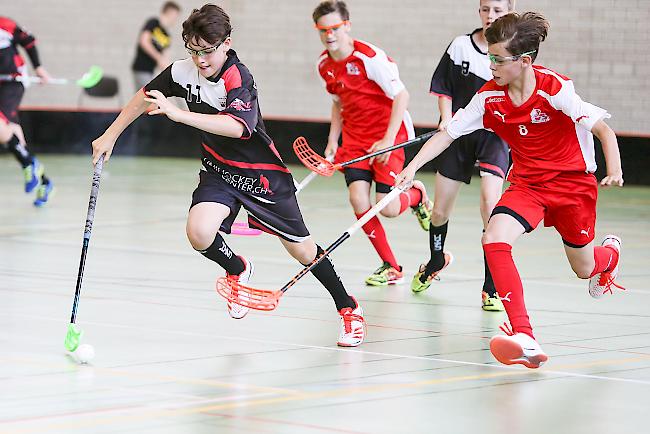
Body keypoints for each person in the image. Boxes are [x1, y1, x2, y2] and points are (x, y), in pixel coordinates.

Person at [93, 4, 366, 347]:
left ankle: (348, 307)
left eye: (207, 51)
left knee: (303, 251)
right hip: (219, 170)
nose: (201, 60)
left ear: (226, 44)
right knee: (199, 232)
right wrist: (110, 135)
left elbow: (237, 127)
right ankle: (237, 268)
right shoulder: (182, 72)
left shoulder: (239, 77)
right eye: (193, 50)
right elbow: (144, 93)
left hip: (260, 176)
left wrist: (181, 116)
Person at [396, 12, 624, 368]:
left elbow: (603, 131)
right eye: (489, 56)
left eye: (498, 59)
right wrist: (411, 166)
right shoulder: (489, 97)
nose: (491, 66)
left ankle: (609, 257)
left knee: (584, 268)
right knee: (494, 238)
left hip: (572, 185)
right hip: (528, 184)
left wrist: (615, 170)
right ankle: (525, 337)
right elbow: (448, 133)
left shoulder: (555, 89)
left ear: (525, 61)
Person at [313, 0, 433, 287]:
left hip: (389, 135)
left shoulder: (369, 57)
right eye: (323, 29)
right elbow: (337, 104)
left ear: (347, 25)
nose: (329, 35)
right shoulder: (324, 65)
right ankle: (392, 266)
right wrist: (332, 140)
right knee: (357, 199)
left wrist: (388, 140)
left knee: (388, 208)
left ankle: (416, 197)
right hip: (354, 139)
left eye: (335, 28)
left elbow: (401, 96)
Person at [414, 0, 515, 312]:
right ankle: (435, 259)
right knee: (441, 211)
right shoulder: (460, 46)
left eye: (497, 10)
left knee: (489, 205)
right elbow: (443, 86)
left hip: (495, 135)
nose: (490, 16)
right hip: (459, 133)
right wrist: (445, 117)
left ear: (509, 12)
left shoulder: (512, 52)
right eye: (486, 9)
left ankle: (491, 284)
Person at [0, 16, 54, 206]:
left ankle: (29, 165)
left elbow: (28, 41)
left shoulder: (5, 25)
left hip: (13, 82)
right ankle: (43, 181)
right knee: (14, 137)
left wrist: (38, 68)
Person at [131, 1, 181, 92]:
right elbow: (144, 41)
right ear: (170, 13)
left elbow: (165, 59)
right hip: (141, 68)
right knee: (147, 96)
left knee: (151, 97)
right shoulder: (153, 23)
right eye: (175, 16)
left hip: (150, 71)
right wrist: (158, 57)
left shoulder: (167, 36)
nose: (175, 20)